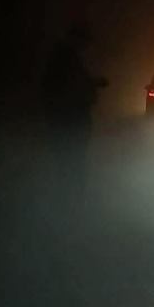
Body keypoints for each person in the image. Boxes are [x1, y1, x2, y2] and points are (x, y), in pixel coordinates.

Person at [41, 23, 107, 209]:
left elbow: (70, 85)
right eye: (84, 42)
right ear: (77, 39)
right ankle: (71, 203)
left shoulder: (66, 57)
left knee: (70, 162)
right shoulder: (65, 58)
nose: (86, 47)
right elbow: (67, 87)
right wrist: (91, 86)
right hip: (69, 120)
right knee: (71, 163)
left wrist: (93, 83)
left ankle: (70, 201)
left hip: (67, 119)